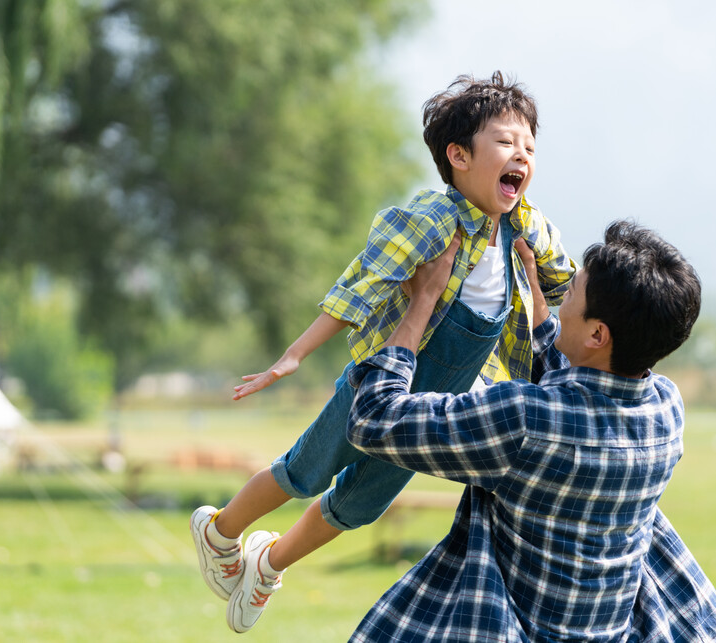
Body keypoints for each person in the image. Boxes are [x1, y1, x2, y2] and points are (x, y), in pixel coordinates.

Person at [189, 71, 577, 633]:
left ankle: (266, 564)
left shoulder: (527, 228)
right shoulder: (434, 219)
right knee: (306, 470)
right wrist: (294, 355)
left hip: (429, 412)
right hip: (380, 383)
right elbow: (364, 282)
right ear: (459, 156)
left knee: (359, 506)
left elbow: (564, 283)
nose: (521, 154)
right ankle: (219, 531)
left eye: (529, 147)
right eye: (506, 142)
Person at [345, 220, 716, 642]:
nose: (563, 301)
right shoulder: (665, 411)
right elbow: (579, 401)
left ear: (597, 333)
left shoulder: (524, 420)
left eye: (572, 291)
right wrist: (536, 306)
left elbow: (374, 419)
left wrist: (422, 302)